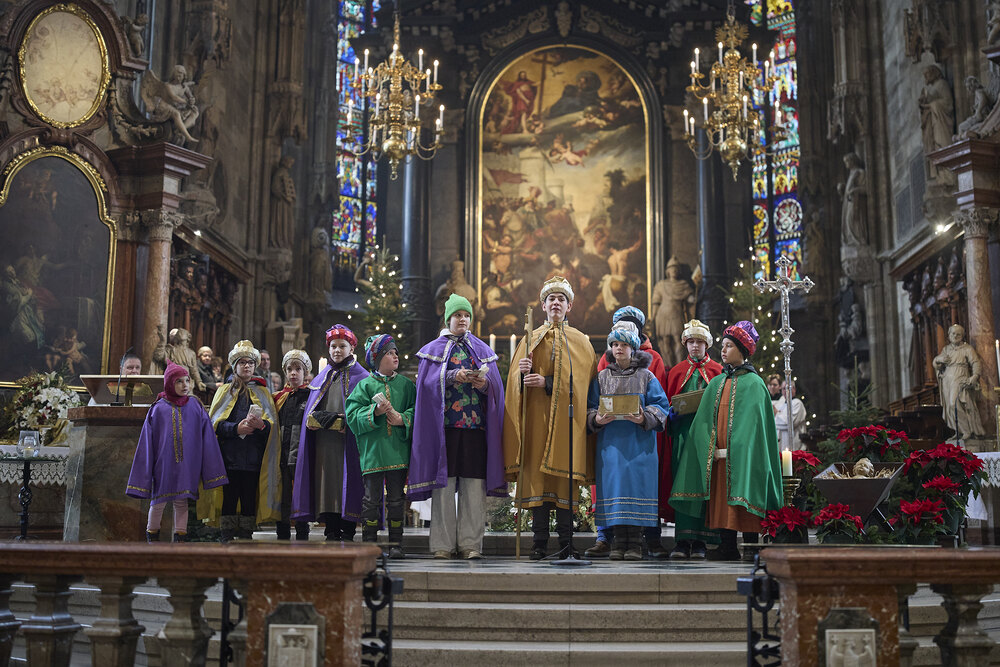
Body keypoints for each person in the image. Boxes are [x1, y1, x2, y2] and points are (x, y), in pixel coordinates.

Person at [502, 276, 597, 560]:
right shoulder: (529, 339)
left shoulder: (581, 342)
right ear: (543, 306)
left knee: (564, 480)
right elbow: (513, 389)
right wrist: (521, 374)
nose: (556, 303)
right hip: (537, 422)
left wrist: (546, 381)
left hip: (567, 425)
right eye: (551, 299)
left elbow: (584, 385)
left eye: (561, 299)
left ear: (569, 306)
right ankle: (539, 543)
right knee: (538, 481)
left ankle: (567, 542)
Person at [670, 321, 781, 561]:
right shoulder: (717, 382)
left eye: (729, 346)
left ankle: (751, 546)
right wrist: (706, 445)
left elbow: (755, 425)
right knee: (722, 499)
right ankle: (727, 545)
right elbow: (703, 420)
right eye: (723, 345)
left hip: (745, 456)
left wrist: (740, 448)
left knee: (747, 495)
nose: (723, 350)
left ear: (742, 350)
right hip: (719, 455)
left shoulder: (755, 384)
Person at [411, 294, 507, 560]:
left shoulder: (482, 350)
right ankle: (442, 545)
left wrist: (485, 385)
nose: (462, 319)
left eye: (466, 315)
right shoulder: (433, 350)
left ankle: (470, 544)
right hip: (445, 430)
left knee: (473, 488)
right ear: (448, 319)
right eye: (457, 315)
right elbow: (425, 385)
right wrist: (452, 375)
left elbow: (497, 388)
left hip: (475, 429)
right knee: (443, 487)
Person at [586, 306, 670, 558]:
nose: (619, 348)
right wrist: (596, 418)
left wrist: (644, 417)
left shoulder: (646, 376)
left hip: (638, 445)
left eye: (624, 344)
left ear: (633, 348)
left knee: (636, 489)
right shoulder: (602, 377)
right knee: (615, 490)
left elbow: (662, 407)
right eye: (615, 344)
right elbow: (590, 407)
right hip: (611, 446)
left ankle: (634, 544)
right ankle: (617, 543)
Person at [126, 362, 228, 542]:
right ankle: (152, 539)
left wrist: (210, 468)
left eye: (187, 380)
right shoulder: (158, 408)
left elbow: (207, 438)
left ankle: (180, 539)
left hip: (187, 465)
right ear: (169, 384)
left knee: (181, 502)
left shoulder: (195, 406)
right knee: (158, 501)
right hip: (163, 465)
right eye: (179, 381)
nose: (184, 385)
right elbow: (147, 442)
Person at [293, 325, 369, 541]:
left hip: (348, 443)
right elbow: (311, 410)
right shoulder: (321, 377)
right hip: (324, 443)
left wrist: (348, 423)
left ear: (351, 348)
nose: (337, 350)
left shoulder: (362, 377)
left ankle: (348, 528)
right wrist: (312, 421)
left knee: (347, 482)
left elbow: (364, 411)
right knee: (327, 484)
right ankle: (331, 528)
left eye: (342, 346)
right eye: (333, 346)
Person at [200, 340, 282, 542]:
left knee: (248, 497)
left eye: (250, 363)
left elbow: (272, 427)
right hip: (229, 457)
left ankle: (246, 534)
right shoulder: (224, 391)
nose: (247, 366)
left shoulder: (263, 393)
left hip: (253, 457)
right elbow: (215, 425)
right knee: (229, 496)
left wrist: (262, 425)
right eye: (242, 362)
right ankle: (226, 535)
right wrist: (235, 429)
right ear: (235, 366)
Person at [346, 334, 416, 558]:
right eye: (389, 353)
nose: (395, 356)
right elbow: (352, 416)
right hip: (373, 452)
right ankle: (370, 545)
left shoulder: (406, 385)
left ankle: (396, 544)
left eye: (396, 352)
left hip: (397, 452)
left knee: (396, 500)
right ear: (376, 359)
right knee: (370, 501)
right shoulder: (364, 386)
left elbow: (417, 411)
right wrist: (374, 412)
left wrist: (402, 419)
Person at [665, 319, 723, 559]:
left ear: (707, 344)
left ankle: (701, 542)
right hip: (683, 437)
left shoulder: (718, 371)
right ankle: (682, 541)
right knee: (682, 485)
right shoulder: (676, 372)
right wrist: (671, 414)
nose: (695, 346)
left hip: (707, 439)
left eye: (699, 342)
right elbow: (667, 402)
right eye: (691, 342)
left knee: (705, 485)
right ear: (685, 344)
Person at [272, 349, 313, 540]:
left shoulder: (311, 396)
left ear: (306, 372)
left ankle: (302, 531)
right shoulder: (278, 398)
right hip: (282, 452)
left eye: (298, 369)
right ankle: (282, 531)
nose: (293, 373)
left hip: (301, 454)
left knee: (301, 493)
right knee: (283, 495)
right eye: (289, 369)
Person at [933, 324, 988, 439]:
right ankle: (959, 431)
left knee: (954, 403)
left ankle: (967, 430)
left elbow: (976, 363)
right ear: (949, 335)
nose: (955, 336)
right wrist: (939, 359)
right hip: (947, 380)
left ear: (962, 336)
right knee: (949, 408)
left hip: (960, 376)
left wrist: (974, 376)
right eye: (953, 333)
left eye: (958, 334)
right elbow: (936, 363)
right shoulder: (946, 349)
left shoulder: (967, 348)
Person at [773, 379, 807, 451]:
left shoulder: (797, 403)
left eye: (788, 388)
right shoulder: (781, 404)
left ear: (794, 389)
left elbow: (789, 423)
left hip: (794, 445)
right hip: (781, 444)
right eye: (783, 389)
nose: (786, 391)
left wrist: (776, 414)